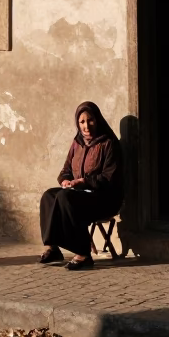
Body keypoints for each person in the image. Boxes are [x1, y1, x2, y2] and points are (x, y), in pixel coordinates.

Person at [39, 101, 123, 270]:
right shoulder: (77, 143)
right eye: (82, 122)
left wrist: (83, 181)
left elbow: (109, 177)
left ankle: (83, 254)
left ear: (97, 120)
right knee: (49, 195)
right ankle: (53, 247)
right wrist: (65, 180)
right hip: (80, 193)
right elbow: (66, 170)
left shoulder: (109, 143)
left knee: (65, 197)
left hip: (103, 197)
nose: (86, 126)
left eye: (90, 120)